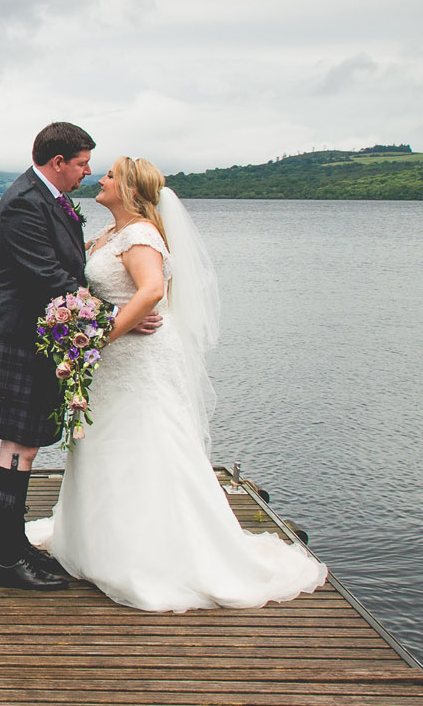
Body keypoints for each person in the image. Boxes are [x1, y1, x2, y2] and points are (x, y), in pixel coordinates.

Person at [24, 157, 328, 611]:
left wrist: (100, 336)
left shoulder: (141, 234)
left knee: (147, 441)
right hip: (113, 360)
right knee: (106, 441)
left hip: (138, 357)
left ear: (128, 189)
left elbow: (149, 292)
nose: (100, 180)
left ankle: (154, 553)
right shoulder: (110, 235)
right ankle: (97, 541)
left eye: (109, 176)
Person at [0, 123, 160, 591]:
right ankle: (8, 563)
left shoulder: (46, 198)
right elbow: (50, 277)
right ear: (58, 163)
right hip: (19, 334)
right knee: (18, 446)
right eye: (82, 163)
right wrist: (117, 314)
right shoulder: (23, 203)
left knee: (27, 445)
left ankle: (18, 549)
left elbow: (69, 271)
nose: (89, 172)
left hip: (41, 334)